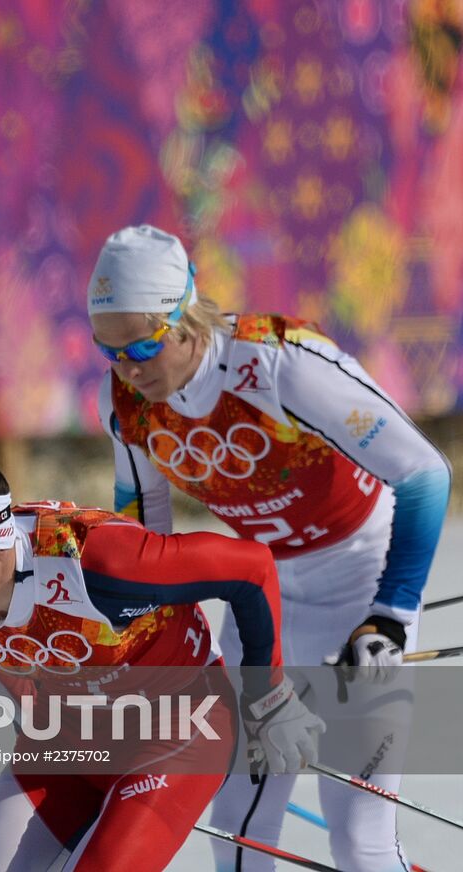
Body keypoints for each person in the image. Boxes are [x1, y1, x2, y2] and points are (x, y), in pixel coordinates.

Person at [87, 224, 452, 871]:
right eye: (109, 351)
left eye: (143, 346)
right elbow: (145, 535)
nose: (128, 368)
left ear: (184, 317)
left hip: (363, 583)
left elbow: (424, 474)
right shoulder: (128, 401)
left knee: (359, 839)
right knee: (237, 822)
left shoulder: (280, 364)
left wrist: (392, 613)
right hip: (266, 599)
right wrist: (141, 645)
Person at [0, 442, 318, 871]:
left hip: (180, 726)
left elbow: (251, 568)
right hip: (67, 738)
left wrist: (270, 695)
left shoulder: (97, 563)